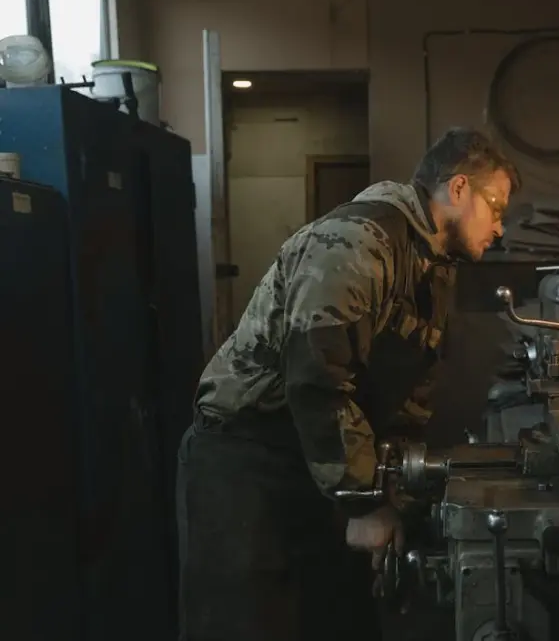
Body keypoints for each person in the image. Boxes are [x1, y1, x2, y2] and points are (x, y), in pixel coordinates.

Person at [176, 127, 519, 641]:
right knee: (245, 623)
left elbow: (409, 395)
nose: (500, 226)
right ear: (459, 188)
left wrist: (392, 493)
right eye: (496, 207)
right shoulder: (358, 243)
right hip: (248, 459)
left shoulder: (432, 266)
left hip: (324, 459)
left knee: (338, 619)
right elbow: (318, 378)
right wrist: (361, 501)